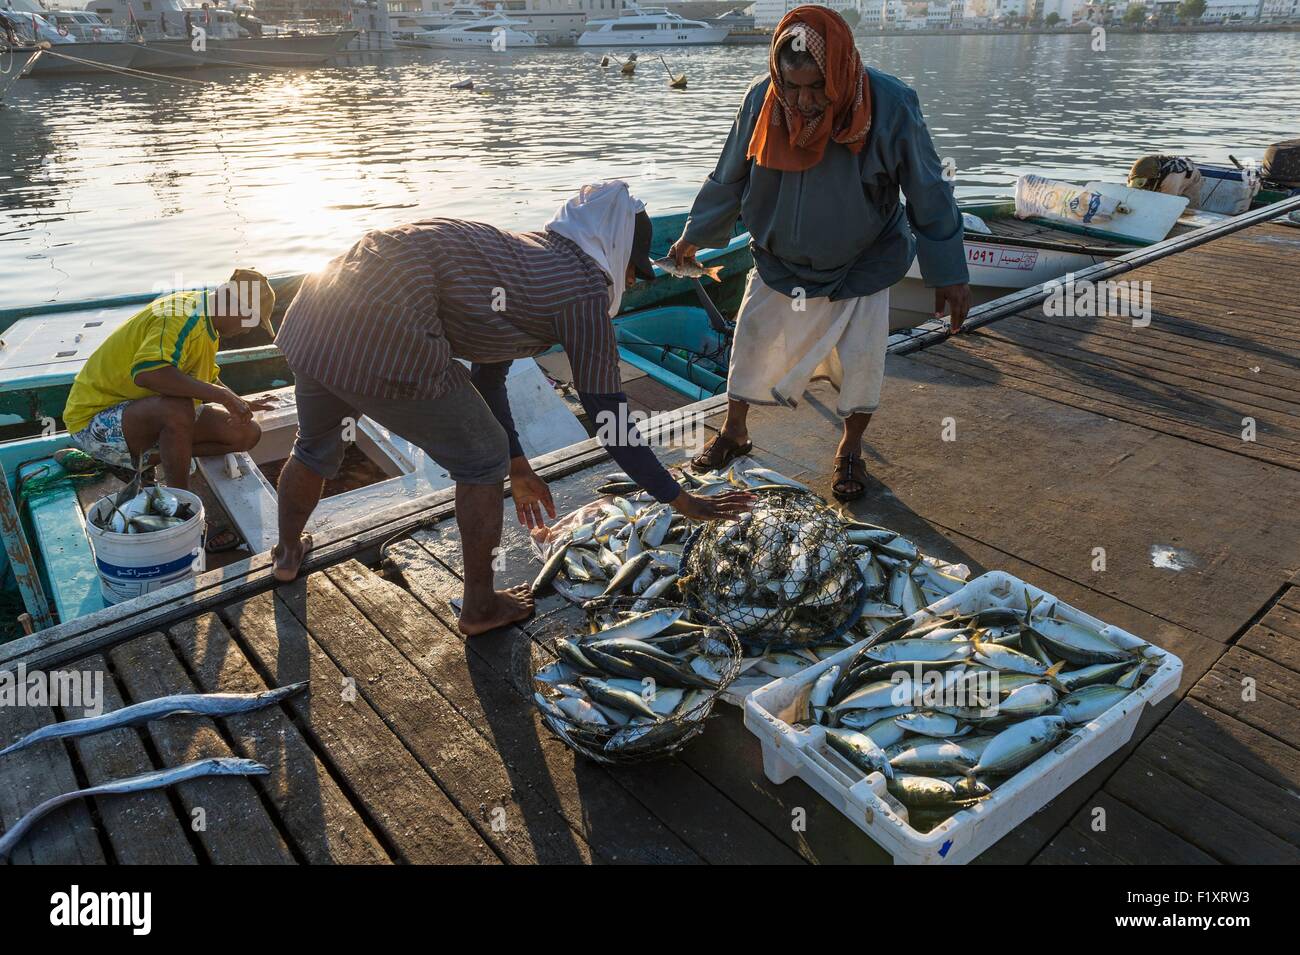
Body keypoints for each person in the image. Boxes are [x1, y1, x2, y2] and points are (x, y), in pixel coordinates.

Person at [271, 181, 754, 635]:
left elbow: (489, 374)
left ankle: (288, 553)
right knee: (481, 459)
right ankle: (480, 605)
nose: (634, 279)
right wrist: (679, 499)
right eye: (634, 268)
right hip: (387, 318)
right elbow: (611, 421)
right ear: (616, 249)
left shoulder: (531, 256)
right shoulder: (585, 289)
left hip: (319, 304)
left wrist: (519, 466)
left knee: (313, 445)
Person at [669, 5, 971, 502]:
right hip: (777, 258)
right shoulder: (762, 100)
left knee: (861, 361)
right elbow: (728, 176)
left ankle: (850, 449)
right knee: (750, 344)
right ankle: (735, 431)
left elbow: (929, 191)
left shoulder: (890, 103)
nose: (804, 101)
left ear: (840, 72)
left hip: (864, 261)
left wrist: (949, 271)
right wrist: (693, 236)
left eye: (817, 88)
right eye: (793, 87)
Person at [62, 269, 275, 549]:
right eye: (251, 322)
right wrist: (221, 396)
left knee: (245, 433)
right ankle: (182, 512)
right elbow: (149, 374)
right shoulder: (179, 315)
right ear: (237, 306)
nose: (247, 330)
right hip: (95, 423)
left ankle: (148, 458)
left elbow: (204, 378)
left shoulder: (207, 322)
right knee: (177, 409)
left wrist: (238, 402)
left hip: (140, 416)